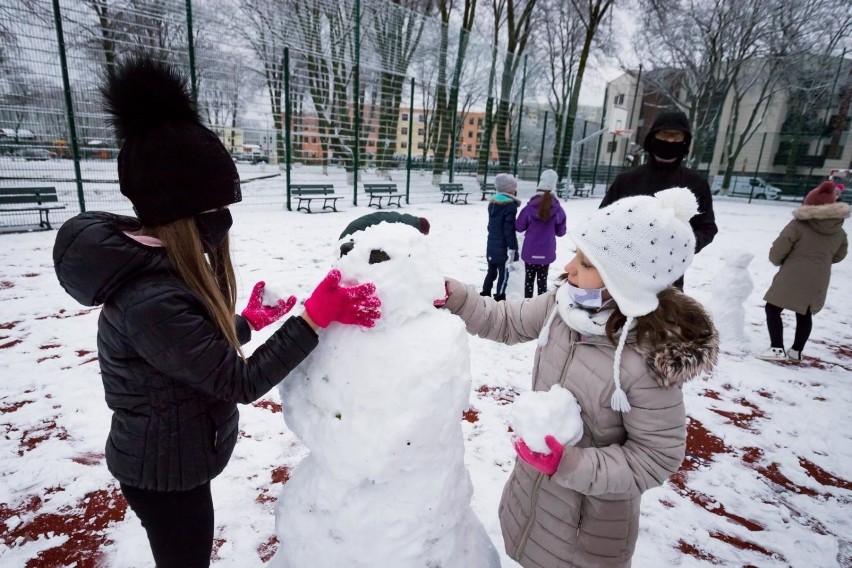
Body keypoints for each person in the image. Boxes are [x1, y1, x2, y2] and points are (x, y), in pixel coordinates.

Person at [52, 54, 381, 568]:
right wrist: (313, 317)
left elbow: (185, 350)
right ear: (185, 215)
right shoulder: (150, 298)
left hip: (174, 460)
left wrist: (246, 322)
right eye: (213, 211)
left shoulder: (160, 268)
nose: (222, 224)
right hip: (163, 475)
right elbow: (238, 382)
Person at [442, 187, 718, 567]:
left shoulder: (645, 361)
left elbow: (656, 457)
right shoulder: (563, 306)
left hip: (588, 528)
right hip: (534, 497)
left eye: (586, 264)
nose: (569, 267)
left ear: (625, 282)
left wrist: (569, 465)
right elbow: (503, 320)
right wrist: (458, 298)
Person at [599, 110, 718, 289]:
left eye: (676, 136)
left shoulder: (695, 183)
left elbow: (707, 227)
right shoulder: (627, 180)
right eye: (665, 134)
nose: (670, 141)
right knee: (619, 316)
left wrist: (682, 245)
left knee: (664, 317)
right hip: (624, 271)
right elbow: (602, 221)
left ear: (685, 141)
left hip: (669, 276)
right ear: (652, 138)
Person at [757, 180, 848, 362]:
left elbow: (778, 249)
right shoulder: (839, 231)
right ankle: (796, 351)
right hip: (819, 278)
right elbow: (840, 255)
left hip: (792, 274)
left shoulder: (798, 225)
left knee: (773, 307)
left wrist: (779, 261)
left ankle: (776, 348)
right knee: (805, 312)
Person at [515, 169, 567, 297]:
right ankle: (540, 307)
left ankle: (528, 306)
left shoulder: (529, 208)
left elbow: (519, 227)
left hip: (530, 251)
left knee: (529, 281)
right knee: (542, 282)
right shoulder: (558, 209)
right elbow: (561, 232)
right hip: (546, 251)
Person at [481, 173, 520, 301]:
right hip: (503, 247)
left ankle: (485, 293)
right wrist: (513, 247)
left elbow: (490, 226)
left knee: (491, 272)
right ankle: (500, 296)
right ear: (510, 190)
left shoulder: (492, 203)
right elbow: (508, 230)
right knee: (503, 274)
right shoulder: (510, 206)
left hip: (491, 245)